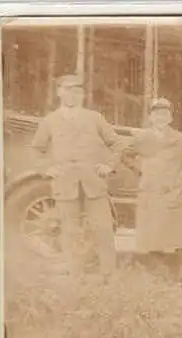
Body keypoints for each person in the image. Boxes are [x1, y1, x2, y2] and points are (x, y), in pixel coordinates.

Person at [30, 74, 123, 279]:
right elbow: (37, 150)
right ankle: (74, 274)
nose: (72, 94)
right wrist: (47, 168)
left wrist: (108, 165)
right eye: (67, 89)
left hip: (94, 183)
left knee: (103, 229)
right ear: (59, 92)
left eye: (77, 90)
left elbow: (116, 144)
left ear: (82, 94)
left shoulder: (95, 118)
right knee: (70, 231)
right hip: (65, 184)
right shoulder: (50, 121)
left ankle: (109, 274)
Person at [122, 98, 182, 285]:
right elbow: (125, 155)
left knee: (180, 237)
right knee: (152, 236)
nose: (161, 117)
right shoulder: (142, 138)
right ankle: (159, 276)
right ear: (151, 117)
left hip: (173, 193)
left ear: (170, 118)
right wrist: (140, 169)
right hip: (150, 193)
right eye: (157, 114)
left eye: (164, 114)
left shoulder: (181, 139)